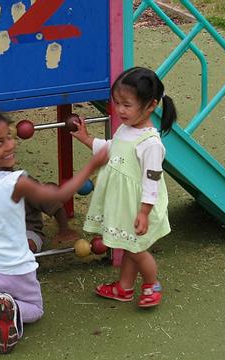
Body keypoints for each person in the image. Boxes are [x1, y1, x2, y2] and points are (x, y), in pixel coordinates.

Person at [0, 107, 108, 354]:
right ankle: (11, 308)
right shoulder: (15, 182)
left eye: (9, 136)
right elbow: (59, 195)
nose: (9, 145)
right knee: (34, 307)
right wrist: (92, 164)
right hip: (12, 270)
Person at [71, 66, 177, 308]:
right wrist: (87, 138)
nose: (120, 110)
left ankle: (152, 285)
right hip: (123, 204)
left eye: (127, 105)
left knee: (137, 250)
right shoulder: (126, 129)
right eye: (117, 102)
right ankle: (124, 288)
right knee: (129, 246)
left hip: (138, 205)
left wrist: (144, 212)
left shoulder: (150, 143)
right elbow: (112, 149)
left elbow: (152, 179)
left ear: (151, 105)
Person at [0, 181, 79, 256]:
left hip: (26, 231)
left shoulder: (22, 185)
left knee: (29, 246)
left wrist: (64, 229)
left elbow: (54, 204)